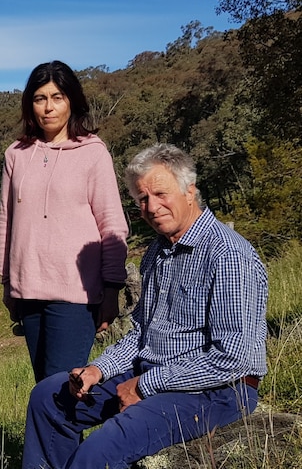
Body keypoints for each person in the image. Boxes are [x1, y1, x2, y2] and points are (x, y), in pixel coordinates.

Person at [21, 143, 268, 469]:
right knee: (49, 398)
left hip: (214, 391)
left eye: (160, 194)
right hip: (151, 371)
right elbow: (141, 334)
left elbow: (233, 358)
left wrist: (145, 385)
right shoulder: (157, 252)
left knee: (99, 453)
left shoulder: (228, 256)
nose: (151, 207)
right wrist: (99, 370)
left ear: (189, 190)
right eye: (142, 199)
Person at [0, 60, 129, 382]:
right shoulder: (15, 154)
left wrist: (111, 289)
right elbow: (6, 221)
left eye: (57, 97)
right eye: (40, 98)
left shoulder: (93, 152)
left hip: (75, 295)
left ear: (72, 100)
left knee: (62, 389)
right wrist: (7, 284)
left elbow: (111, 222)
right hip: (27, 291)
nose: (48, 107)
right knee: (45, 388)